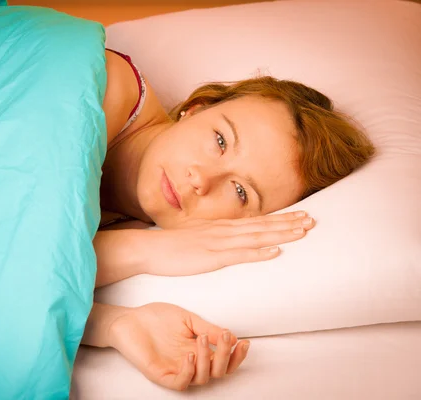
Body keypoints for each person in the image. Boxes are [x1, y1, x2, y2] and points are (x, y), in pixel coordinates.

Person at [80, 49, 375, 391]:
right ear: (196, 108)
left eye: (239, 191)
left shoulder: (128, 225)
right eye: (220, 140)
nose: (201, 180)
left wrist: (113, 323)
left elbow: (17, 276)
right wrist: (141, 250)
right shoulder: (104, 85)